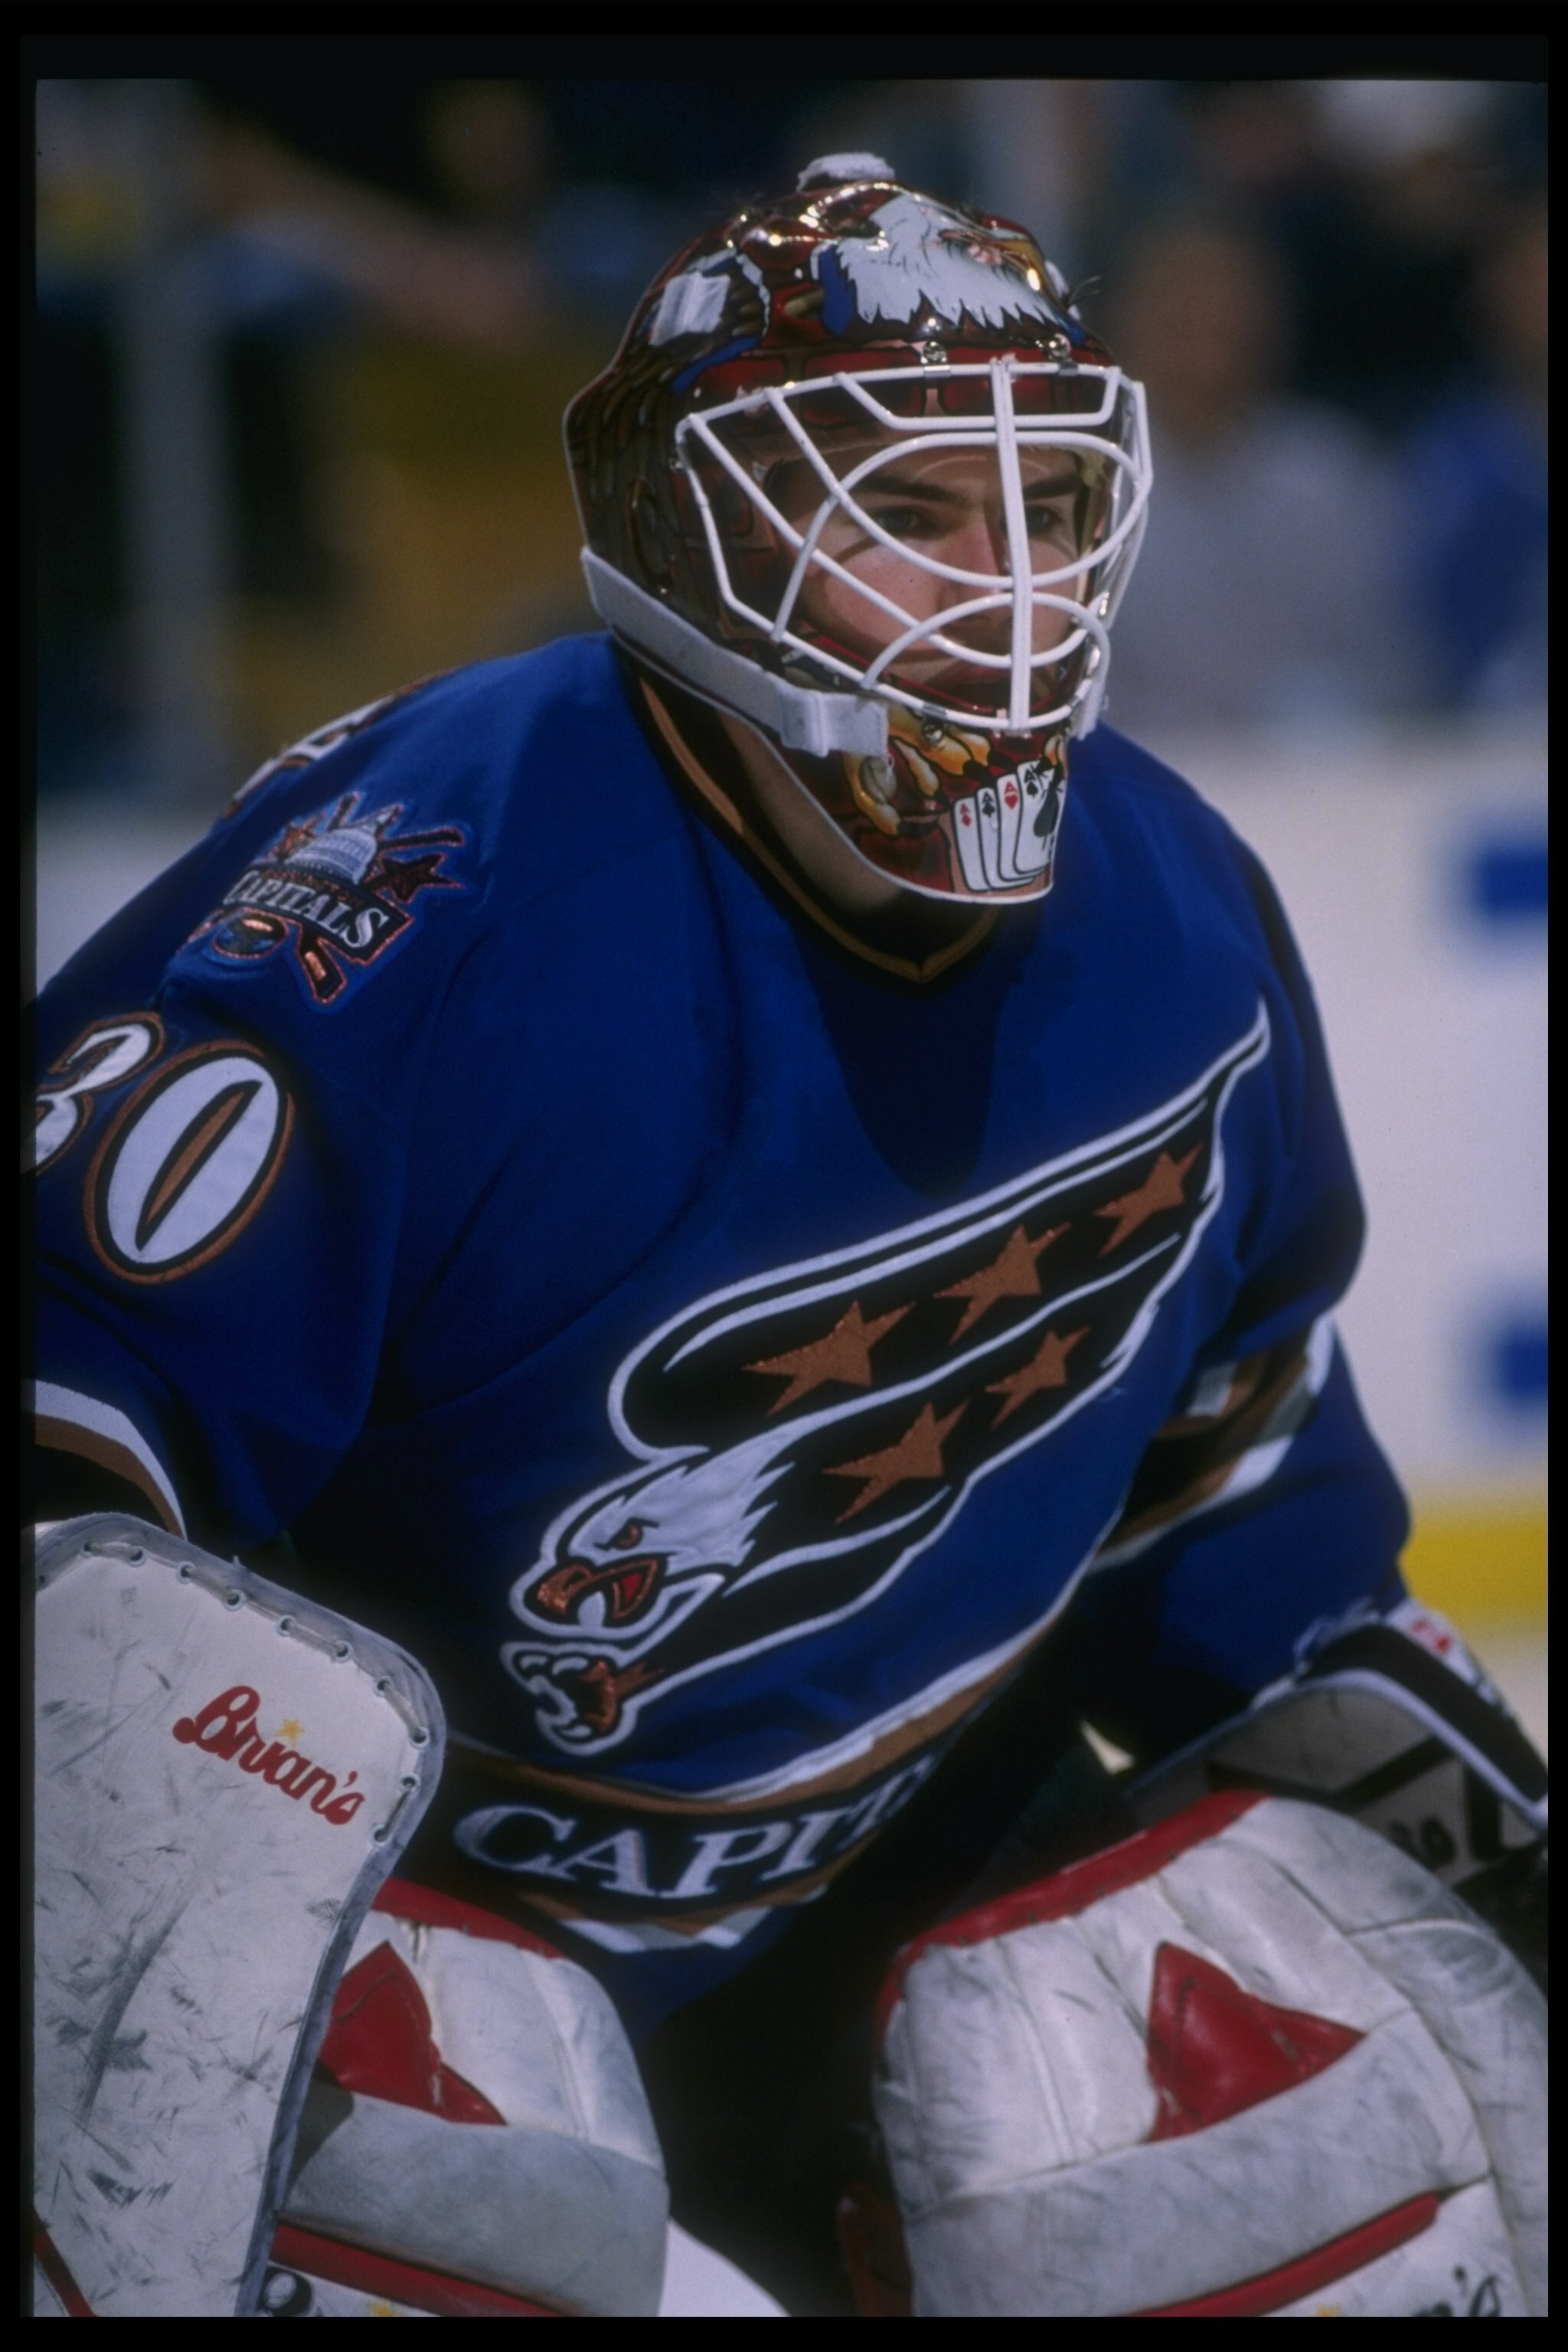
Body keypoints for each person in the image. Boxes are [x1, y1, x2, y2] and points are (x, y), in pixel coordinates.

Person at [29, 157, 1545, 2318]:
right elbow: (73, 1500)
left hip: (873, 1893)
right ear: (681, 535)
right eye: (911, 516)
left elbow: (1236, 1510)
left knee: (1315, 2151)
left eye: (1038, 512)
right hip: (418, 1935)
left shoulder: (1185, 906)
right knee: (474, 2187)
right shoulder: (418, 894)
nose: (1005, 598)